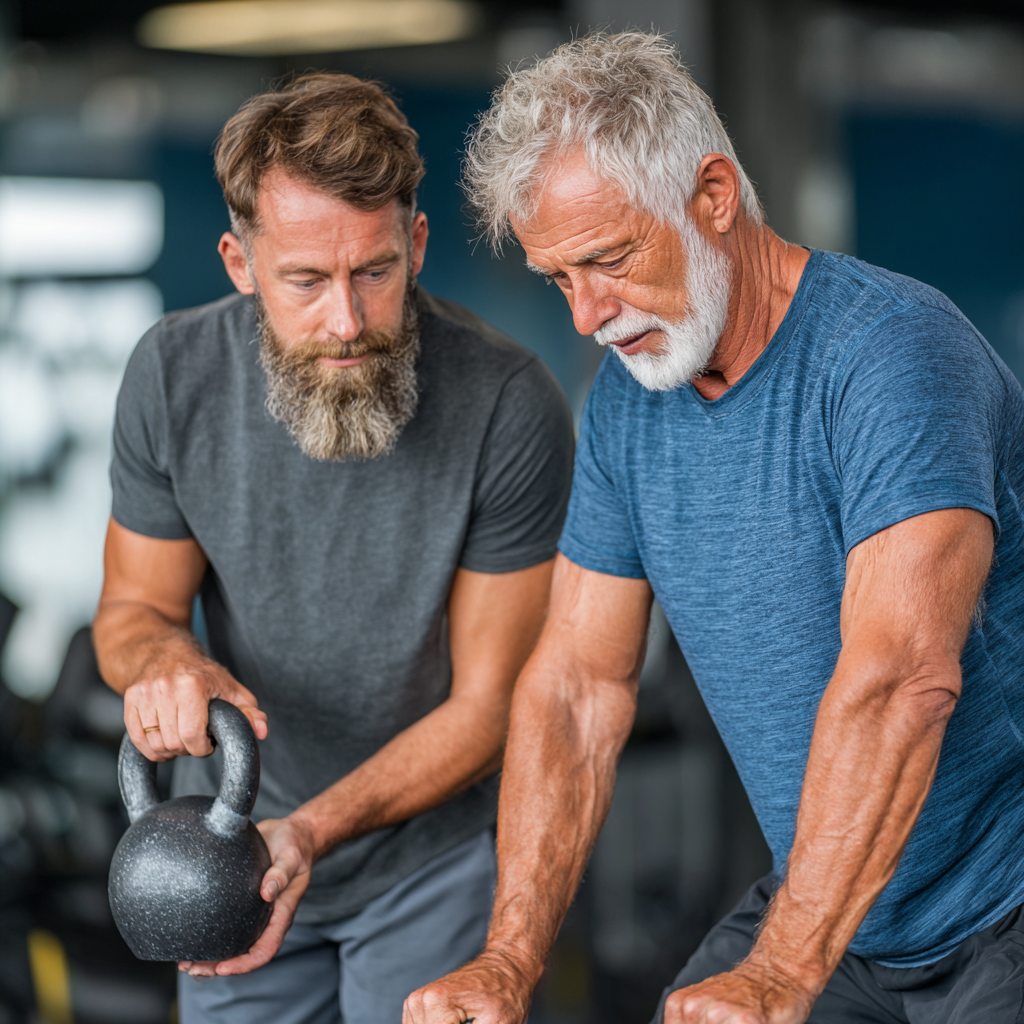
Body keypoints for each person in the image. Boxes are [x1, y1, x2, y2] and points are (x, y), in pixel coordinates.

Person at [405, 32, 1024, 1024]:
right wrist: (508, 961)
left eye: (607, 259)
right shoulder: (625, 408)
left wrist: (781, 971)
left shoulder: (891, 357)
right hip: (837, 906)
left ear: (714, 197)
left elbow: (900, 679)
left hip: (1001, 907)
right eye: (558, 278)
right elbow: (574, 689)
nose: (585, 314)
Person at [92, 73, 574, 1024]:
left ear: (417, 243)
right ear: (240, 262)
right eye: (306, 282)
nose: (346, 323)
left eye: (375, 272)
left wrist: (308, 831)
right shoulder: (170, 375)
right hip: (223, 858)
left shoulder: (509, 405)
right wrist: (164, 663)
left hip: (423, 863)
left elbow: (491, 708)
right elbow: (132, 613)